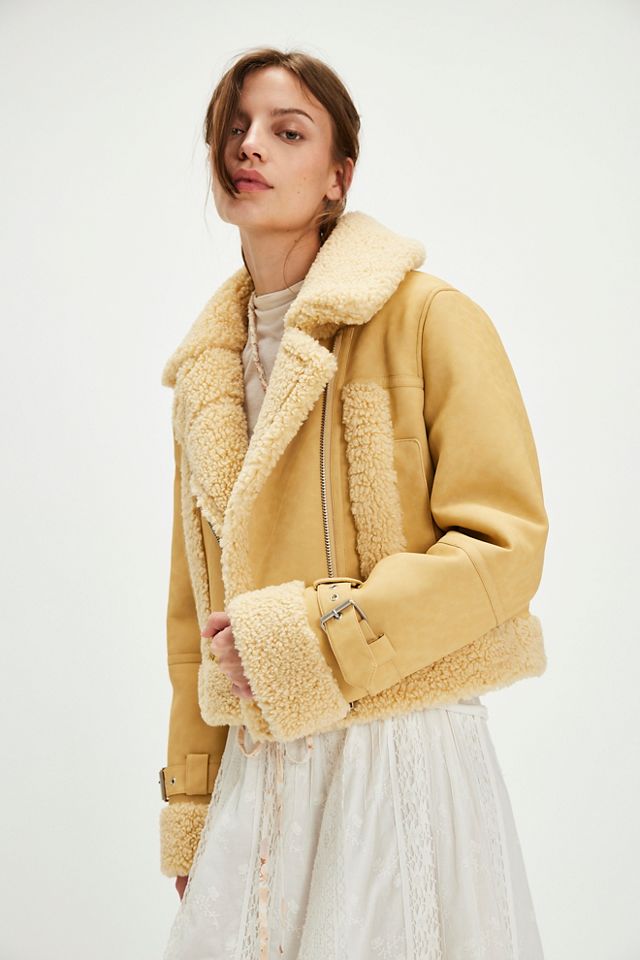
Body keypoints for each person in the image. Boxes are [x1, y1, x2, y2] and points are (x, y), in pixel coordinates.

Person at [158, 46, 549, 960]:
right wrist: (195, 799)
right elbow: (191, 620)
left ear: (339, 175)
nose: (249, 146)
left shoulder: (429, 318)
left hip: (396, 755)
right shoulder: (205, 381)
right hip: (259, 774)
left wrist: (312, 638)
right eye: (236, 127)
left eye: (287, 131)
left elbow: (506, 547)